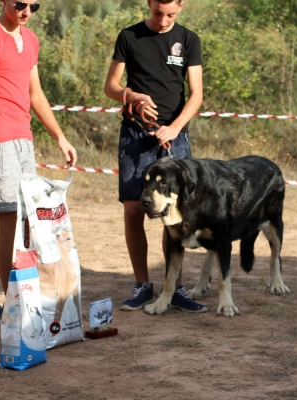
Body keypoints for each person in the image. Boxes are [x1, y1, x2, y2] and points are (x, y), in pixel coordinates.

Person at [0, 0, 77, 321]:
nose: (26, 12)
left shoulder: (30, 39)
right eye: (20, 4)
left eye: (34, 5)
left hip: (24, 140)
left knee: (18, 225)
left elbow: (35, 94)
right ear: (4, 1)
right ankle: (18, 308)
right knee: (9, 221)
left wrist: (59, 136)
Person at [104, 0, 206, 312]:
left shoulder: (189, 40)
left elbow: (196, 95)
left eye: (171, 14)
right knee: (134, 212)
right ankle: (142, 285)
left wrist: (174, 128)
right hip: (135, 138)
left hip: (173, 142)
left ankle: (173, 286)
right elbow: (110, 85)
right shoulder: (129, 36)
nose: (163, 21)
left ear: (182, 6)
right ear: (149, 4)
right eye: (157, 13)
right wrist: (130, 96)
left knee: (173, 217)